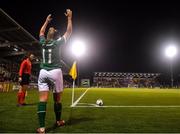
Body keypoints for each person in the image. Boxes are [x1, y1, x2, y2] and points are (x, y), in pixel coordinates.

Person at [37, 9, 72, 133]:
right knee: (57, 100)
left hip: (43, 72)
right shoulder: (57, 43)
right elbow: (69, 32)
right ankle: (58, 121)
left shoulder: (42, 42)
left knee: (42, 100)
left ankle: (41, 128)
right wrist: (69, 18)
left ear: (47, 35)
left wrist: (46, 21)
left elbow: (41, 31)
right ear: (56, 35)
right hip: (55, 72)